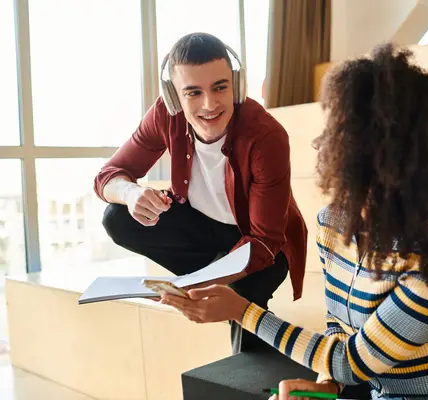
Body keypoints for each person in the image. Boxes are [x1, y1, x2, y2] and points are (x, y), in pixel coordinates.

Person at [159, 43, 428, 400]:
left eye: (341, 132)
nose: (322, 144)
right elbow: (339, 333)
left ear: (386, 154)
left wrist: (242, 311)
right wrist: (326, 386)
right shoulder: (334, 225)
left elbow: (351, 361)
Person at [93, 32, 308, 355]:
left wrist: (203, 285)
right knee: (117, 217)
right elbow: (107, 177)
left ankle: (250, 339)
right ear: (174, 95)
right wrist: (131, 193)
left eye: (220, 87)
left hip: (261, 245)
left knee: (241, 300)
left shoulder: (266, 136)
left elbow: (265, 240)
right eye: (193, 92)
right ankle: (238, 298)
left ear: (236, 83)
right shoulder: (165, 115)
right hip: (200, 229)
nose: (210, 105)